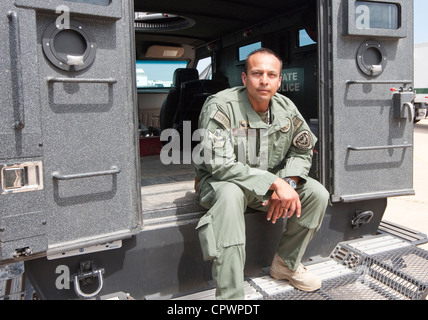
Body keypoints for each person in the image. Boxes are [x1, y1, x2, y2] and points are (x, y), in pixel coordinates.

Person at [193, 48, 329, 300]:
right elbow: (219, 166)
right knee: (230, 195)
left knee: (317, 193)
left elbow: (302, 151)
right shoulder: (220, 106)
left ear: (279, 80)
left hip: (267, 186)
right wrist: (275, 182)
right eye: (257, 73)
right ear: (244, 79)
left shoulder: (286, 107)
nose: (264, 80)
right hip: (220, 183)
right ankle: (231, 297)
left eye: (271, 74)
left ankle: (286, 264)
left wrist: (287, 183)